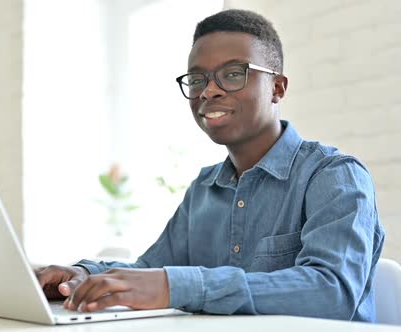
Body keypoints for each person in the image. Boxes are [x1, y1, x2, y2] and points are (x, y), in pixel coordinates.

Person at [35, 9, 384, 322]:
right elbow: (150, 270)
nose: (209, 91)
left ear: (277, 88)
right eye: (198, 79)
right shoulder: (205, 188)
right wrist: (83, 275)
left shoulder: (333, 176)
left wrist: (178, 287)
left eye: (233, 74)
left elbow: (332, 293)